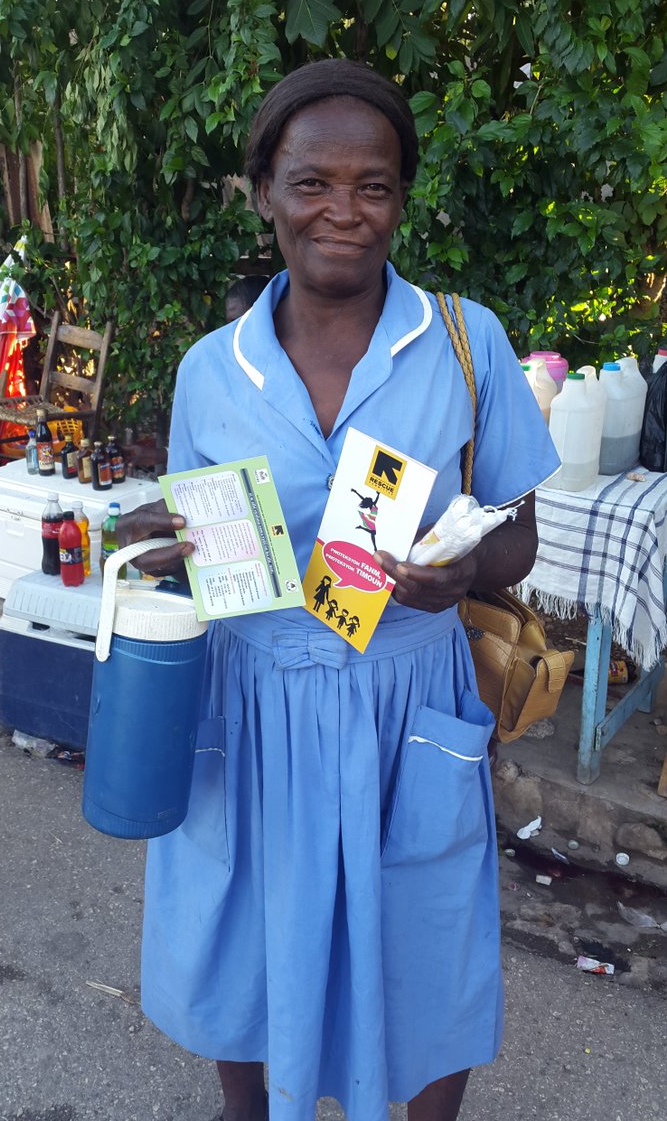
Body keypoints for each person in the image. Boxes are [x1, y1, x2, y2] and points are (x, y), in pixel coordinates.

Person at [117, 59, 559, 1121]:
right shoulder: (211, 372)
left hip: (408, 704)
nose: (344, 213)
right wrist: (173, 547)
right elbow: (208, 548)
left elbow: (520, 537)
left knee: (424, 942)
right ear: (265, 191)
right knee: (243, 939)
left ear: (401, 199)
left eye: (374, 186)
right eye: (313, 182)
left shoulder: (464, 342)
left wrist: (459, 577)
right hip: (251, 703)